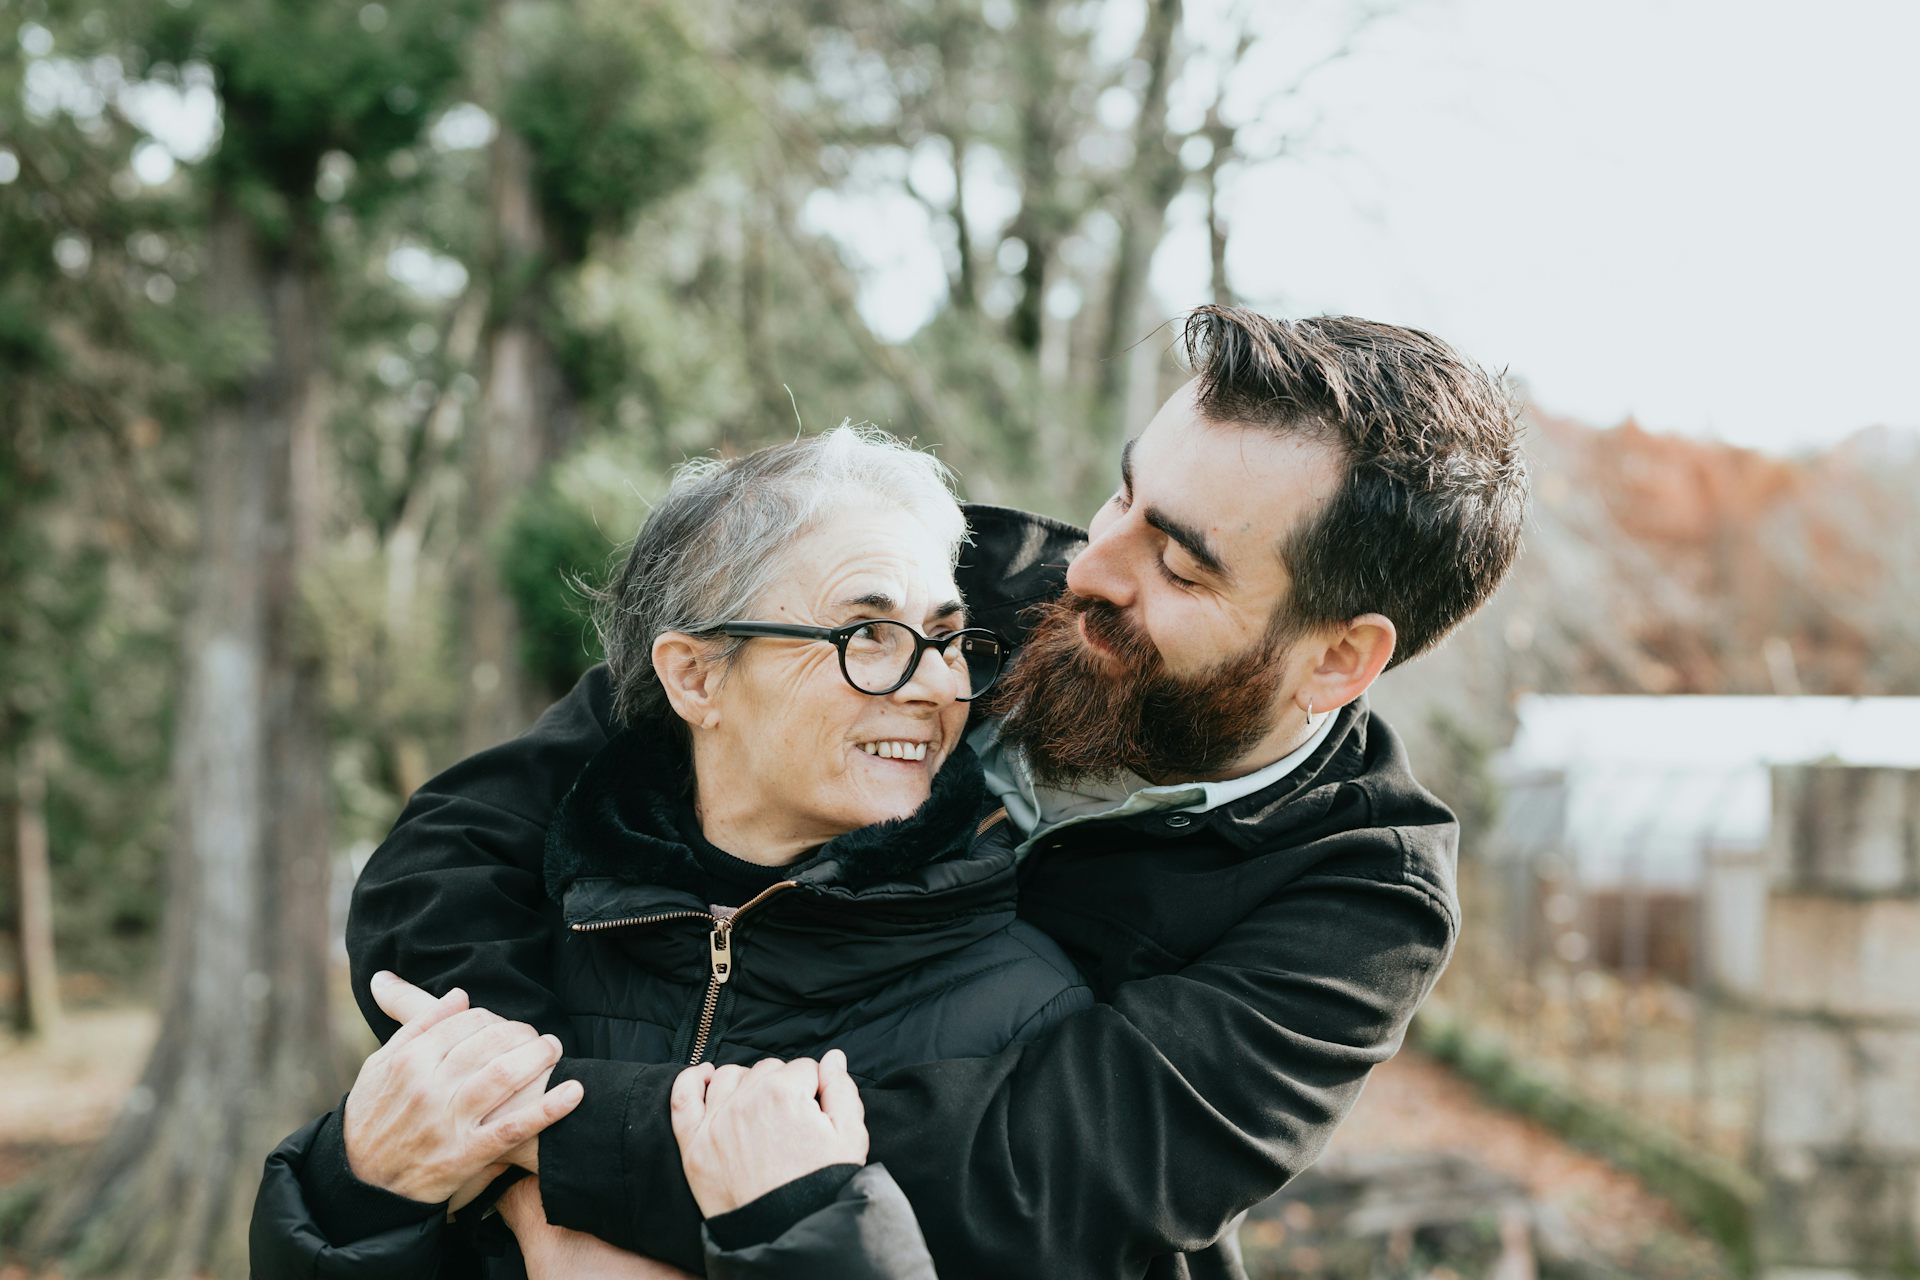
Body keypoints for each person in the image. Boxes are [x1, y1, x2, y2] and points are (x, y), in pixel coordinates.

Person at [339, 305, 1530, 1278]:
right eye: (1125, 494)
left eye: (1177, 561)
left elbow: (1029, 1181)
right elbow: (465, 837)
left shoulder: (1363, 892)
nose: (1088, 563)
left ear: (1339, 657)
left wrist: (552, 1163)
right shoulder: (924, 588)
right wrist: (473, 1092)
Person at [250, 427, 1094, 1277]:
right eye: (865, 635)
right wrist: (361, 1194)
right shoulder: (515, 939)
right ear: (694, 679)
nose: (933, 685)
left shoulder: (1031, 1009)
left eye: (945, 637)